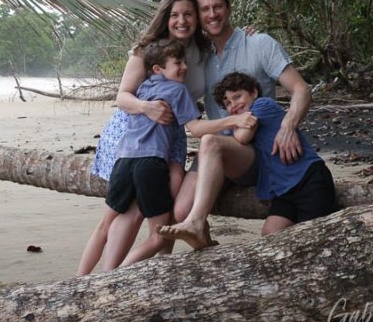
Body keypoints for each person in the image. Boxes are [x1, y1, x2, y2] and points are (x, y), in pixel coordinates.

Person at [160, 0, 313, 248]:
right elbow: (164, 66)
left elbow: (301, 89)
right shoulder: (200, 56)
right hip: (217, 150)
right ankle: (211, 254)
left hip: (254, 151)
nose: (212, 14)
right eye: (204, 9)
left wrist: (288, 126)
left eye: (217, 7)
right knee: (181, 210)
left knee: (209, 142)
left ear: (229, 9)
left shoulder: (259, 43)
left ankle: (196, 223)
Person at [88, 40, 255, 270]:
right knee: (158, 237)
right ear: (158, 68)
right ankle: (113, 275)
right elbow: (195, 128)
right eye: (178, 63)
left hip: (123, 161)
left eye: (185, 61)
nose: (185, 67)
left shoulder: (144, 87)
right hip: (151, 163)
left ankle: (82, 278)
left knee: (105, 225)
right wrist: (234, 119)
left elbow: (124, 98)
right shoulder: (178, 89)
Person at [78, 0, 209, 274]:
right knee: (132, 210)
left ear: (197, 18)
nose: (182, 21)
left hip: (171, 134)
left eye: (188, 14)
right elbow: (123, 96)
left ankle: (156, 270)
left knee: (169, 198)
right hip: (135, 130)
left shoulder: (203, 51)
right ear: (166, 17)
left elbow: (230, 45)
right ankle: (107, 275)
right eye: (174, 15)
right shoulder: (149, 49)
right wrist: (147, 108)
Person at [168, 72, 336, 245]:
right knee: (270, 235)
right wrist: (235, 121)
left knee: (316, 241)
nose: (234, 105)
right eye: (227, 103)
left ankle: (196, 220)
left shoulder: (263, 105)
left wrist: (234, 121)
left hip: (309, 179)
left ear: (254, 93)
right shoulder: (242, 119)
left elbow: (242, 137)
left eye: (238, 96)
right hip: (284, 191)